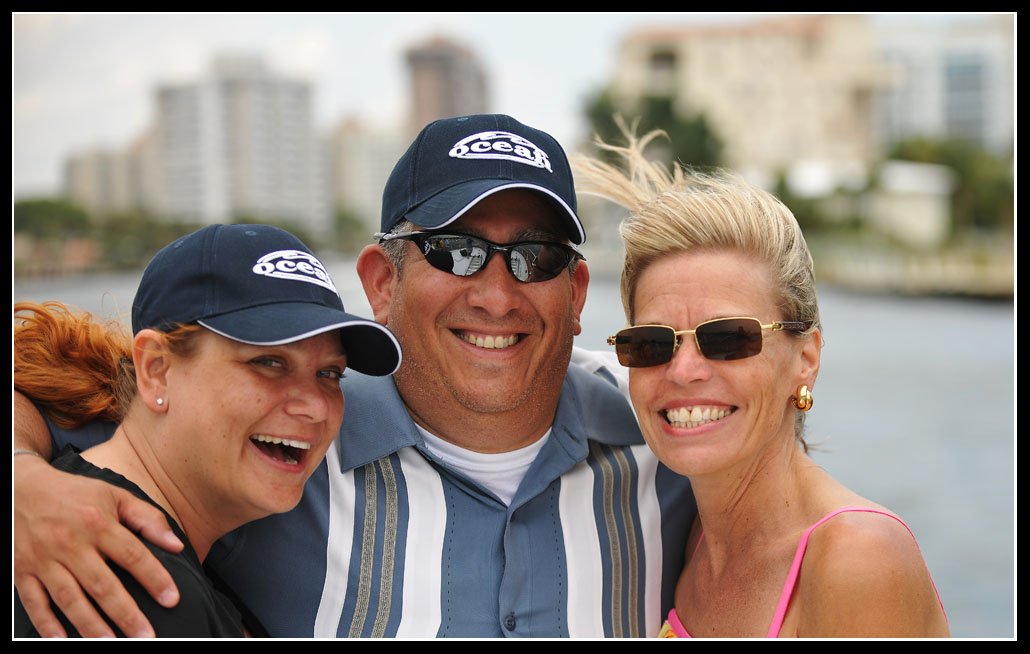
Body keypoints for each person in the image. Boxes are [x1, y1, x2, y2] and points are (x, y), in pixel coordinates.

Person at [13, 114, 696, 638]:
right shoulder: (268, 455)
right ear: (379, 281)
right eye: (455, 251)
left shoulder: (673, 439)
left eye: (535, 255)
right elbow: (83, 401)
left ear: (576, 293)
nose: (496, 294)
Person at [571, 126, 949, 637]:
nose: (683, 370)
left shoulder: (857, 558)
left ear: (806, 359)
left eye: (728, 339)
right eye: (653, 344)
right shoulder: (697, 538)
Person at [12, 224, 402, 637]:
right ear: (156, 371)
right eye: (268, 362)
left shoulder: (159, 546)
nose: (316, 405)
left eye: (330, 373)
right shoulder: (131, 586)